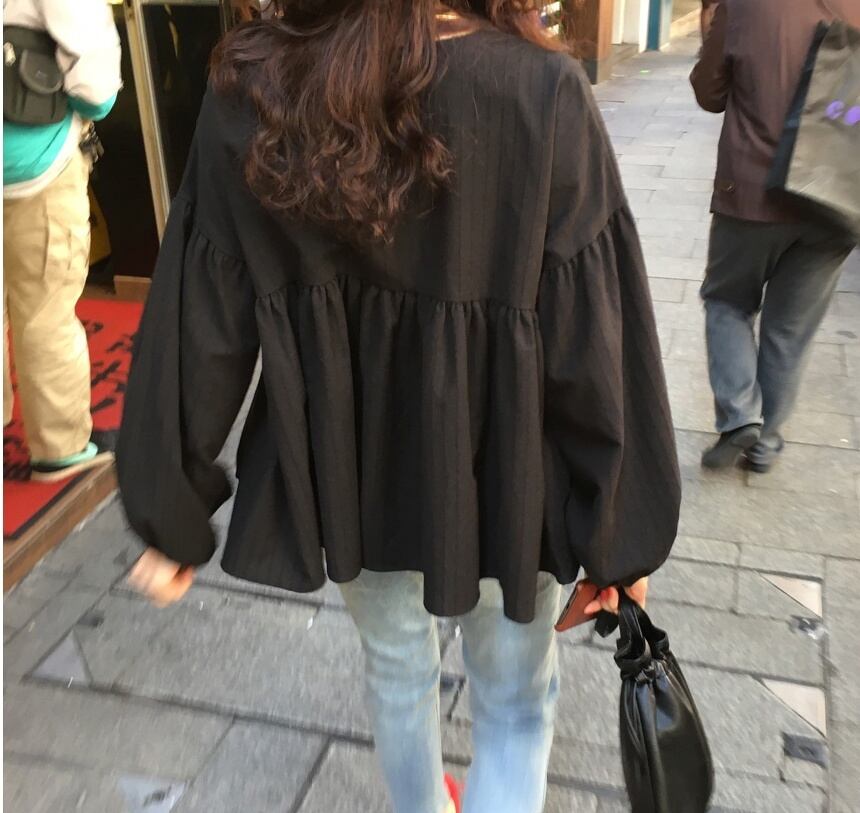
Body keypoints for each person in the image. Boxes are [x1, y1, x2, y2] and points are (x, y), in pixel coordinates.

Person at [118, 2, 681, 812]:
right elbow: (593, 331)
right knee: (515, 700)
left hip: (353, 469)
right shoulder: (542, 89)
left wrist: (168, 507)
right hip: (507, 471)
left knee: (394, 671)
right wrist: (619, 533)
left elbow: (201, 311)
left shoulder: (254, 87)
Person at [691, 0, 859, 472]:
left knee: (727, 301)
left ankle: (740, 415)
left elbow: (709, 93)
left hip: (752, 194)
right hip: (835, 198)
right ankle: (765, 442)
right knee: (790, 329)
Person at [3, 0, 122, 481]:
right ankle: (60, 447)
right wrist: (96, 106)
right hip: (36, 160)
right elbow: (95, 83)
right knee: (46, 307)